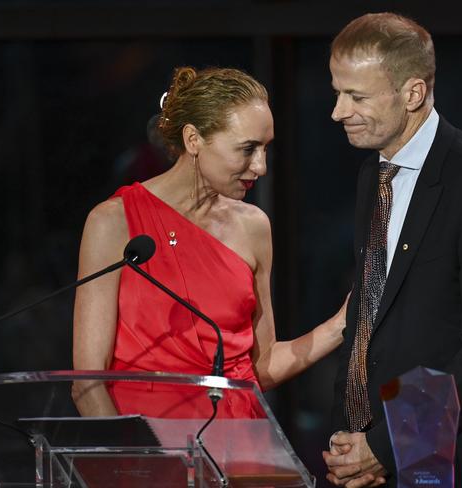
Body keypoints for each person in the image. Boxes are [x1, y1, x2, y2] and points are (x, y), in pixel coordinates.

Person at [321, 13, 462, 488]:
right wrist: (354, 433)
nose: (337, 111)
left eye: (356, 96)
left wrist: (388, 444)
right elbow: (372, 318)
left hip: (455, 462)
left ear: (412, 93)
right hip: (373, 454)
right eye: (337, 92)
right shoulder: (374, 174)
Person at [71, 66, 346, 418]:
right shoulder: (112, 223)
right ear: (193, 140)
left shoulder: (253, 227)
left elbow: (260, 367)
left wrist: (342, 324)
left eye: (265, 149)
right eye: (247, 149)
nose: (260, 167)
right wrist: (128, 466)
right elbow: (87, 382)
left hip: (238, 446)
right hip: (146, 449)